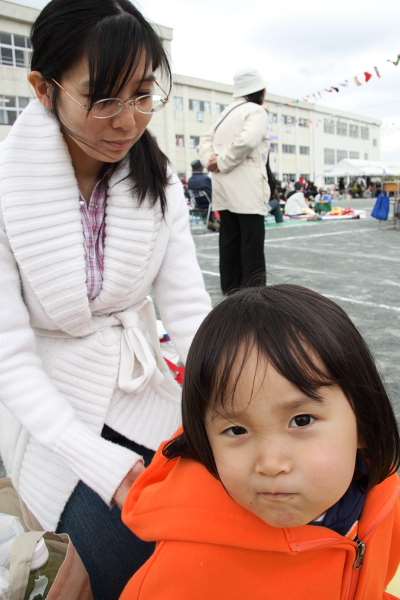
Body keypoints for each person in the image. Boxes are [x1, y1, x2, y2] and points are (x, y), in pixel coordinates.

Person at [0, 1, 211, 598]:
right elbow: (9, 358)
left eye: (142, 94)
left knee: (213, 511)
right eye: (103, 98)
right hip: (47, 407)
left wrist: (233, 397)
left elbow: (188, 311)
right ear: (44, 88)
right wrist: (100, 464)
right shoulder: (5, 188)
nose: (128, 121)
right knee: (124, 549)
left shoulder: (159, 180)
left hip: (138, 384)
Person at [121, 285, 400, 600]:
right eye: (237, 430)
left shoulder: (383, 501)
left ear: (363, 421)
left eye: (302, 420)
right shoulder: (186, 574)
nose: (270, 464)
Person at [199, 68, 269, 294]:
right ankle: (253, 295)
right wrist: (223, 162)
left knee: (229, 241)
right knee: (252, 245)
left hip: (223, 188)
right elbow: (247, 141)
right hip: (247, 188)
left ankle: (230, 290)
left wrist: (210, 160)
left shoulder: (224, 113)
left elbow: (204, 140)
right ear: (259, 91)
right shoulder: (256, 111)